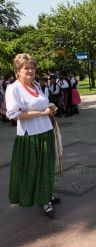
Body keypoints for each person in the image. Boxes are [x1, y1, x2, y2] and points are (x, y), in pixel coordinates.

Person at [5, 53, 60, 217]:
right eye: (26, 68)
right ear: (18, 70)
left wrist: (51, 106)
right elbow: (16, 114)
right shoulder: (13, 88)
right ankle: (43, 201)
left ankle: (46, 195)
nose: (30, 70)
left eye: (32, 67)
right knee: (34, 169)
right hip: (30, 136)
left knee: (47, 167)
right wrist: (43, 112)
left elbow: (43, 105)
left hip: (46, 131)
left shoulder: (36, 85)